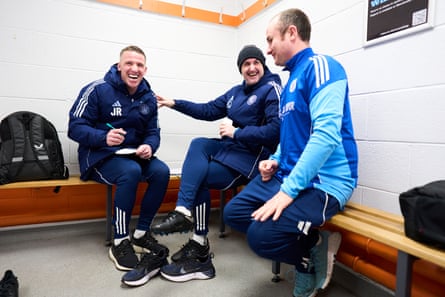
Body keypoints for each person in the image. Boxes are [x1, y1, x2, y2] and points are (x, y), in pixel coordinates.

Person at [223, 9, 358, 297]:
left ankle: (306, 259)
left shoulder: (322, 67)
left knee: (261, 237)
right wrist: (274, 159)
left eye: (271, 39)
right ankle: (312, 244)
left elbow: (325, 136)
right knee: (234, 212)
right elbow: (290, 136)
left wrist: (287, 192)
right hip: (289, 175)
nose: (268, 48)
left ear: (292, 33)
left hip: (325, 183)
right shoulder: (288, 84)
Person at [152, 45, 282, 282]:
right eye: (246, 64)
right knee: (199, 143)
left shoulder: (271, 89)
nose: (252, 68)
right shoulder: (236, 92)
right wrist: (174, 103)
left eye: (256, 63)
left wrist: (237, 133)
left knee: (201, 177)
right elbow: (209, 109)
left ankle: (199, 243)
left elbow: (276, 131)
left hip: (251, 158)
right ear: (240, 69)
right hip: (231, 147)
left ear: (263, 64)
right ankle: (183, 210)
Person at [68, 45, 170, 286]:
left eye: (139, 65)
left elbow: (153, 132)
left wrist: (149, 146)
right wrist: (103, 138)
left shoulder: (148, 96)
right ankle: (120, 240)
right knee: (131, 171)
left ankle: (142, 234)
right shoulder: (97, 90)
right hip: (99, 156)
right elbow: (74, 127)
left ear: (145, 69)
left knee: (161, 171)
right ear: (119, 66)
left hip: (132, 155)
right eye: (129, 64)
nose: (134, 69)